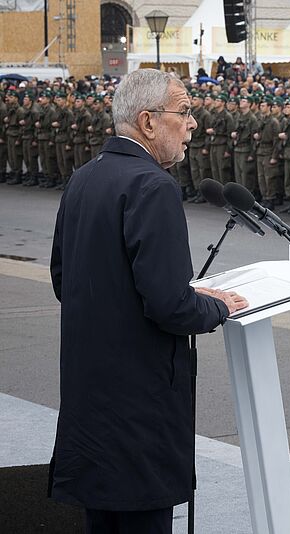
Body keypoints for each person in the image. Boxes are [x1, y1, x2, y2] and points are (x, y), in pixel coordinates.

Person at [49, 69, 248, 533]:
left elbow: (66, 280)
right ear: (148, 121)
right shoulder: (152, 185)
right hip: (139, 411)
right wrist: (218, 306)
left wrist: (183, 293)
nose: (193, 123)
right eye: (184, 111)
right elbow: (170, 307)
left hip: (90, 404)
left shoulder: (84, 177)